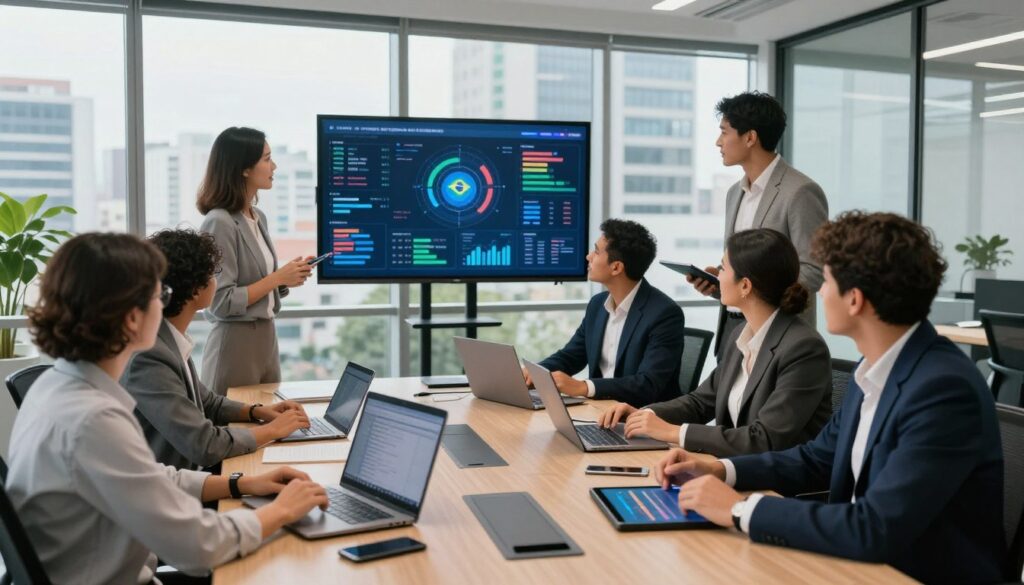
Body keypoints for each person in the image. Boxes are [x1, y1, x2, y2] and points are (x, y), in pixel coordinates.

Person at [655, 212, 1007, 584]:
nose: (818, 293)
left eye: (826, 281)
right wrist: (721, 470)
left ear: (854, 300)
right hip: (853, 564)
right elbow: (815, 459)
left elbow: (875, 527)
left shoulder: (943, 390)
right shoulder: (873, 368)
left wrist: (741, 509)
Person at [7, 233, 328, 584]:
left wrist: (245, 483)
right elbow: (198, 546)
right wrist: (281, 512)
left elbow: (154, 477)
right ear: (132, 318)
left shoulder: (56, 388)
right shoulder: (93, 419)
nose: (165, 307)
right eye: (161, 295)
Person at [598, 228, 831, 456]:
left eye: (723, 268)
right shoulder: (741, 335)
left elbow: (764, 439)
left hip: (775, 486)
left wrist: (674, 433)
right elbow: (700, 403)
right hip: (731, 469)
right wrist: (643, 414)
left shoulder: (803, 348)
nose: (717, 276)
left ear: (745, 286)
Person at [122, 228, 312, 471]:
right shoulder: (149, 356)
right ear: (195, 289)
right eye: (213, 274)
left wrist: (261, 412)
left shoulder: (168, 337)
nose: (217, 281)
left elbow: (208, 403)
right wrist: (273, 430)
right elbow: (205, 445)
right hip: (174, 489)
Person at [688, 92, 828, 355]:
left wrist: (754, 294)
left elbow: (813, 270)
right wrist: (721, 282)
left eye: (724, 132)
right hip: (732, 331)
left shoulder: (801, 191)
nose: (718, 142)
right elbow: (747, 270)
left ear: (750, 137)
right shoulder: (734, 193)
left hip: (779, 335)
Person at [198, 126, 313, 395]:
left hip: (266, 339)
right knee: (236, 431)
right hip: (235, 345)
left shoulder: (258, 217)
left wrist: (287, 280)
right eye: (266, 158)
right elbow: (221, 301)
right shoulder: (219, 221)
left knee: (267, 429)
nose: (274, 165)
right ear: (244, 168)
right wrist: (277, 278)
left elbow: (257, 284)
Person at [528, 218, 685, 407]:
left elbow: (647, 384)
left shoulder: (664, 314)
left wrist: (584, 387)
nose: (588, 257)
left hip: (639, 417)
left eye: (596, 251)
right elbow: (571, 356)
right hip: (598, 411)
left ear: (616, 267)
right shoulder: (597, 305)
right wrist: (535, 372)